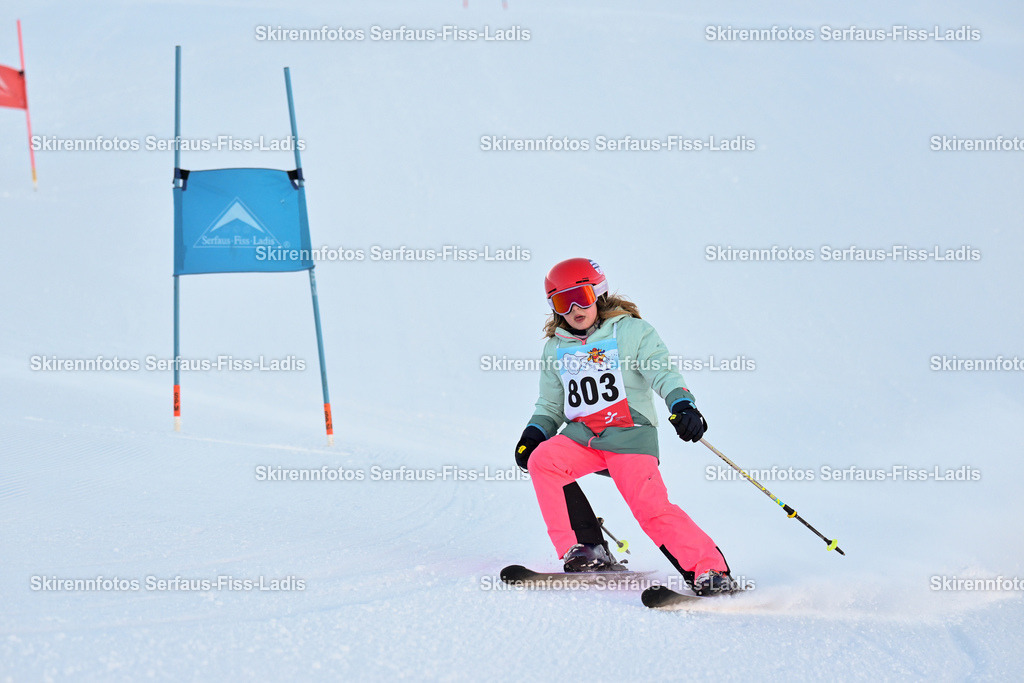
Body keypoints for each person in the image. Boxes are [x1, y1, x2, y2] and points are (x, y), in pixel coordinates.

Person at [514, 258, 734, 595]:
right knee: (544, 460)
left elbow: (662, 372)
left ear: (598, 294)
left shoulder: (631, 331)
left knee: (650, 508)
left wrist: (681, 403)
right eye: (562, 302)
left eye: (581, 297)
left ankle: (710, 570)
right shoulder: (556, 348)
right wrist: (534, 434)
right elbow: (550, 404)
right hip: (583, 437)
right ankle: (587, 549)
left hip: (630, 434)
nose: (574, 308)